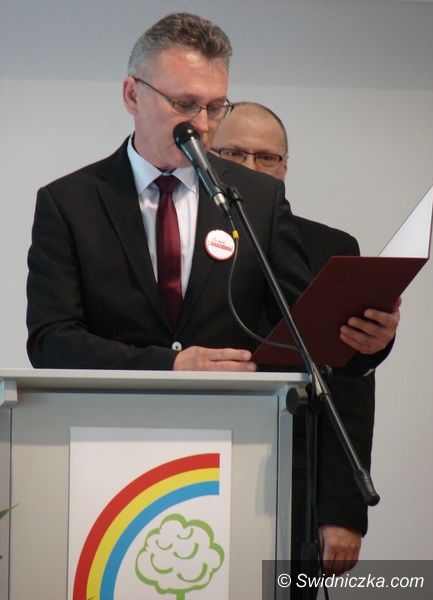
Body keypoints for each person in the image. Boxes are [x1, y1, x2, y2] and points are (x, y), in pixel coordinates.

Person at [26, 13, 398, 586]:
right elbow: (51, 341)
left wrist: (369, 343)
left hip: (241, 471)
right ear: (132, 94)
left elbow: (306, 335)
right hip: (112, 465)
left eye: (215, 107)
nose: (201, 124)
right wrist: (169, 365)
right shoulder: (69, 203)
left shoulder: (255, 198)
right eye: (185, 104)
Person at [212, 101, 401, 576]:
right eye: (233, 154)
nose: (250, 168)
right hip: (184, 465)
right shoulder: (175, 244)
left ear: (285, 167)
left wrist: (341, 511)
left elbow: (348, 386)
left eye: (266, 157)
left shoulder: (329, 249)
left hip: (293, 482)